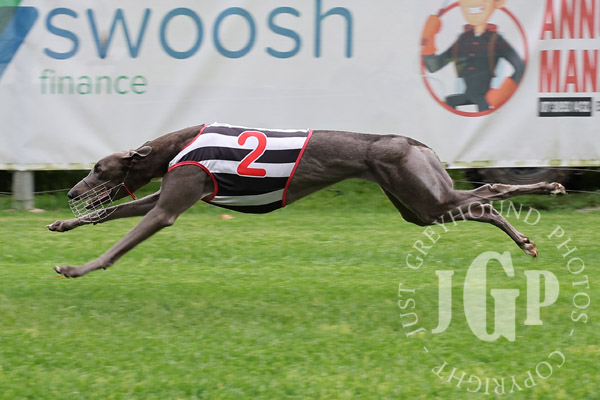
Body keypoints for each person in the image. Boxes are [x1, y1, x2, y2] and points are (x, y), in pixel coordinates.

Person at [421, 0, 525, 112]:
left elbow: (520, 67)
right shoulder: (463, 39)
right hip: (466, 96)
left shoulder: (495, 40)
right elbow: (434, 66)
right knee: (447, 103)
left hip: (485, 99)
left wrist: (502, 93)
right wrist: (428, 38)